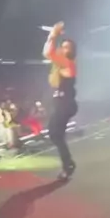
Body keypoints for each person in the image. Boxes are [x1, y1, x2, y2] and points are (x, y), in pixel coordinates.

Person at [43, 22, 78, 180]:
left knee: (55, 133)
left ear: (72, 51)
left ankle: (68, 164)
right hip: (61, 104)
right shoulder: (60, 64)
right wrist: (51, 37)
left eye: (67, 47)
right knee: (56, 134)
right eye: (62, 47)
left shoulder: (68, 63)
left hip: (66, 104)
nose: (63, 49)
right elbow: (47, 51)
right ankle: (68, 163)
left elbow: (48, 53)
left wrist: (54, 34)